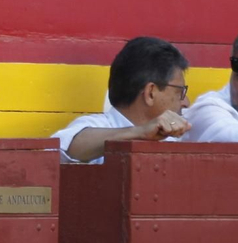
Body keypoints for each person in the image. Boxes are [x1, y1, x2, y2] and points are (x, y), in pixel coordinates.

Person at [51, 36, 191, 163]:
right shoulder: (98, 126)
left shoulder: (172, 139)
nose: (185, 102)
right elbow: (62, 148)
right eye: (179, 92)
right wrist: (140, 132)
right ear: (150, 93)